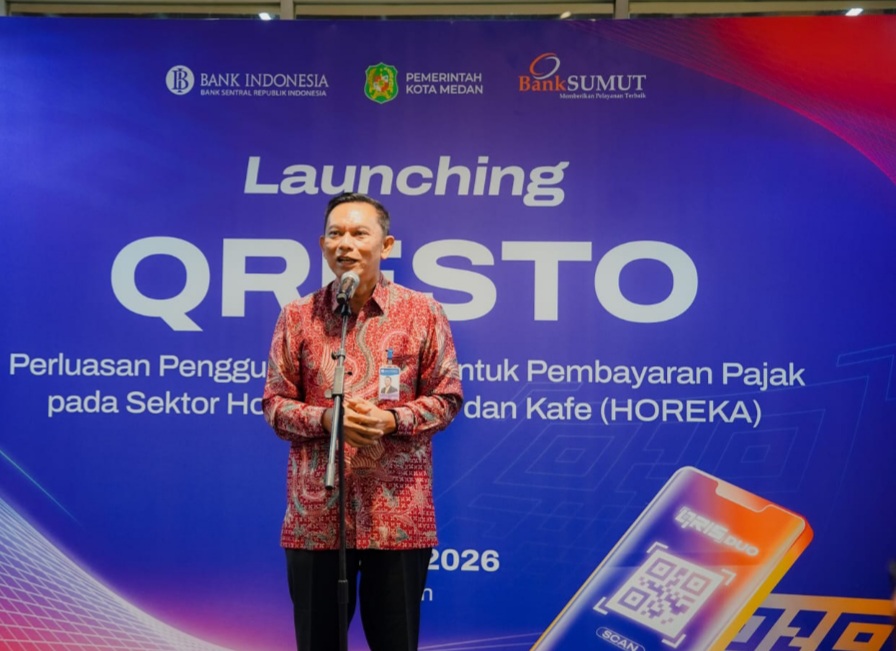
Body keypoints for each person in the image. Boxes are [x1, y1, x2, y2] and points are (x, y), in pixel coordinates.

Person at [262, 192, 463, 651]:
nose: (345, 244)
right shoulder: (298, 316)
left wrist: (391, 421)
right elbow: (275, 404)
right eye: (335, 234)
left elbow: (448, 397)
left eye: (358, 234)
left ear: (386, 245)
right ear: (322, 245)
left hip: (397, 516)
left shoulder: (423, 312)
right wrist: (325, 417)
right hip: (316, 518)